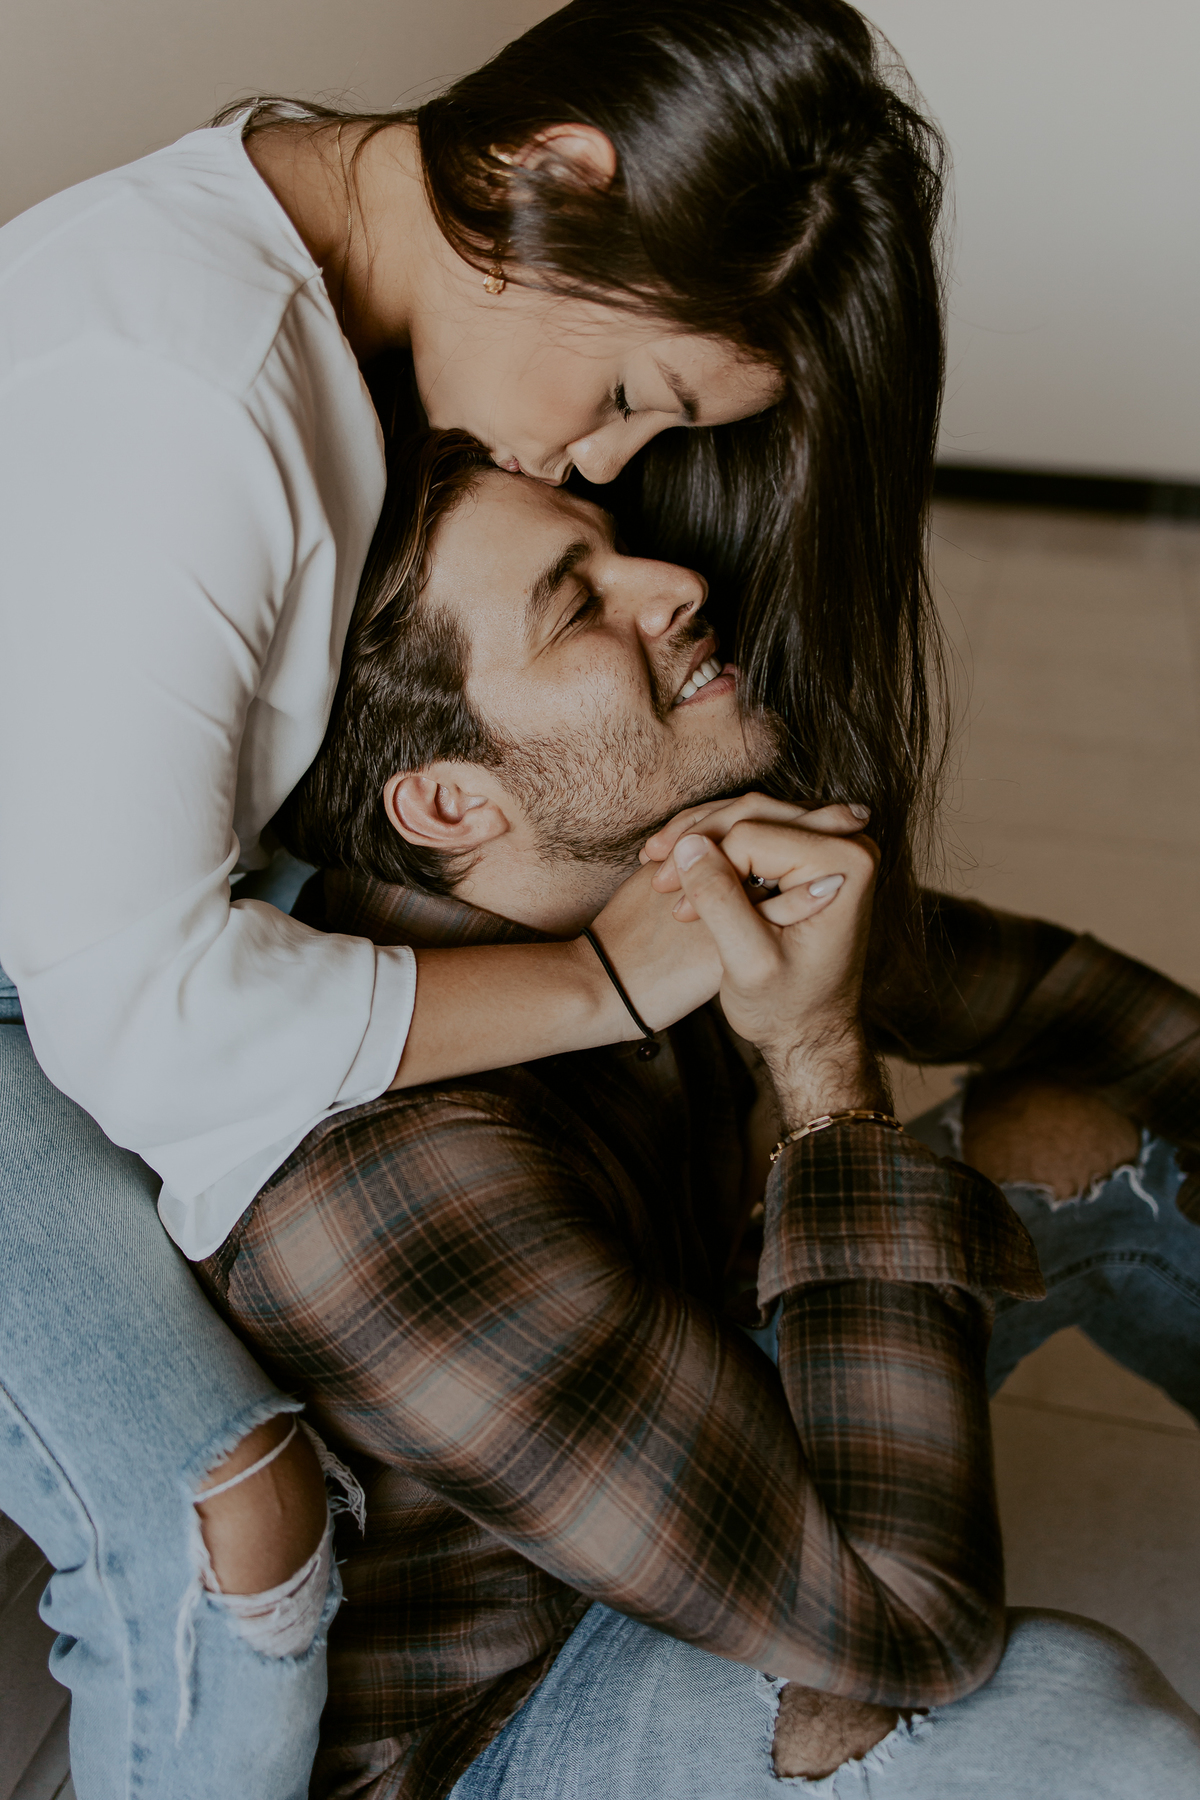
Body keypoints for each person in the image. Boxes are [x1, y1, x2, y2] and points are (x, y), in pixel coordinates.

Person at [0, 3, 951, 1792]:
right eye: (632, 395)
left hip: (48, 923)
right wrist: (603, 977)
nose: (603, 466)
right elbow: (149, 1022)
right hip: (41, 977)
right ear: (555, 175)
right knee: (227, 1532)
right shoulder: (188, 400)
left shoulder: (299, 259)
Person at [195, 429, 1200, 1800]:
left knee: (1090, 1125)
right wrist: (819, 1061)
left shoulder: (641, 882)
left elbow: (1051, 1000)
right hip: (509, 1721)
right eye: (577, 607)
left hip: (695, 1436)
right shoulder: (378, 1183)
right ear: (450, 803)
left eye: (617, 553)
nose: (674, 585)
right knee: (1070, 1720)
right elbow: (913, 1624)